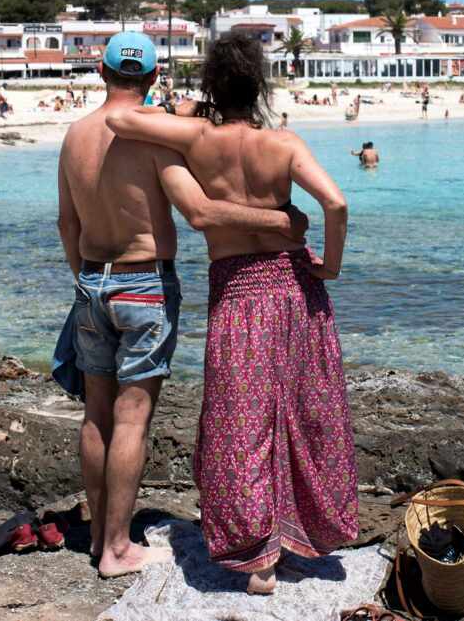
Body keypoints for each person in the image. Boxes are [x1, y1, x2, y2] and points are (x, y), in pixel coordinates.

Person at [106, 33, 357, 596]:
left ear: (213, 83)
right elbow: (336, 204)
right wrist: (332, 266)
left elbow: (122, 122)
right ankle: (296, 538)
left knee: (238, 422)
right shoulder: (284, 142)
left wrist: (187, 109)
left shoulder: (198, 138)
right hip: (292, 286)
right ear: (261, 84)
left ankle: (256, 558)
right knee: (300, 411)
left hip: (237, 292)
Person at [53, 31, 310, 582]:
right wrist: (282, 223)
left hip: (91, 283)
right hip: (143, 283)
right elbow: (199, 212)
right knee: (132, 416)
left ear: (101, 73)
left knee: (95, 413)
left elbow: (66, 223)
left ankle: (100, 532)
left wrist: (87, 283)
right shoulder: (154, 142)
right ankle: (118, 549)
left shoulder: (74, 135)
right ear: (150, 78)